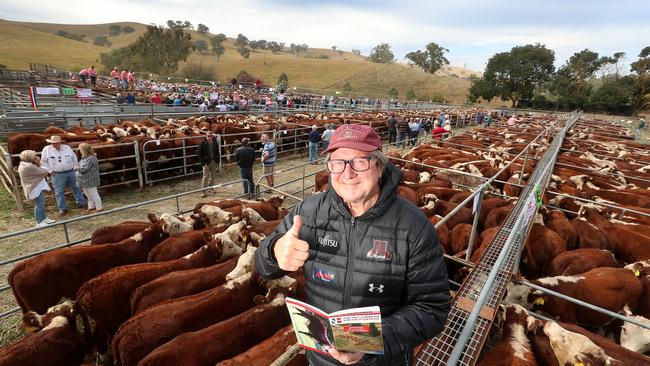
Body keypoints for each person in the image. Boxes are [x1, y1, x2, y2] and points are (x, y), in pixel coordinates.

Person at [255, 124, 451, 366]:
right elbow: (262, 266)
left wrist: (368, 341)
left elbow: (432, 308)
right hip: (321, 360)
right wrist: (274, 252)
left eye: (359, 162)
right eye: (337, 162)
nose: (347, 173)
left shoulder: (414, 227)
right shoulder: (307, 213)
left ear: (379, 167)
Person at [41, 135, 85, 215]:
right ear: (51, 143)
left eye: (57, 142)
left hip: (71, 171)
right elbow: (43, 162)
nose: (56, 144)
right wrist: (50, 171)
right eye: (54, 143)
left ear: (60, 142)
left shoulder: (66, 148)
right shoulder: (46, 150)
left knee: (76, 187)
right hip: (57, 174)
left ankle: (81, 202)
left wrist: (76, 166)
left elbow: (74, 158)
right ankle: (62, 208)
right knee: (59, 191)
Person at [18, 150, 56, 227]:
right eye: (34, 156)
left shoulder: (24, 165)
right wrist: (39, 163)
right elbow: (44, 172)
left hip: (35, 186)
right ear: (29, 157)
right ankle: (39, 222)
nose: (35, 157)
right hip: (35, 187)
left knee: (41, 203)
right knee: (39, 204)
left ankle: (44, 218)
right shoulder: (29, 166)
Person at [75, 143, 102, 214]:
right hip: (85, 179)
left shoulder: (91, 158)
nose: (79, 151)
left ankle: (99, 208)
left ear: (84, 150)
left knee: (93, 193)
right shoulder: (85, 157)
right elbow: (80, 164)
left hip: (90, 179)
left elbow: (83, 169)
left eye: (80, 149)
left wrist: (77, 168)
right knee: (88, 194)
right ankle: (91, 207)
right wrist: (78, 165)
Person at [197, 132, 220, 197]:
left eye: (210, 136)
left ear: (212, 136)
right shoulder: (202, 143)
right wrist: (202, 162)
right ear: (206, 136)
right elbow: (199, 153)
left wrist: (217, 161)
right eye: (208, 136)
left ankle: (211, 188)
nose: (209, 137)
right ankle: (203, 192)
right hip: (206, 162)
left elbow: (217, 152)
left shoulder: (215, 143)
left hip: (213, 161)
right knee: (205, 177)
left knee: (212, 176)